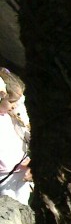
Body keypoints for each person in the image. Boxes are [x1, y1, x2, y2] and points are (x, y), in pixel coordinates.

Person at [0, 69, 32, 205]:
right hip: (4, 177)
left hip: (23, 172)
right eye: (12, 101)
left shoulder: (11, 117)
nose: (14, 106)